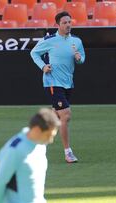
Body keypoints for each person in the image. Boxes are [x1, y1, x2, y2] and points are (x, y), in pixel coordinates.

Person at [30, 11, 85, 163]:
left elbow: (81, 59)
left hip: (68, 82)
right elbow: (34, 53)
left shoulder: (77, 41)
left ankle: (36, 137)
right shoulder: (50, 40)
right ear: (58, 25)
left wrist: (79, 59)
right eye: (64, 22)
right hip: (52, 82)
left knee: (56, 116)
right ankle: (68, 152)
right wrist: (43, 66)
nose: (68, 25)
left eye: (69, 22)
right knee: (66, 115)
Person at [0, 108, 61, 203]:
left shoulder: (41, 145)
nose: (51, 140)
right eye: (49, 135)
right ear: (36, 130)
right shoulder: (14, 150)